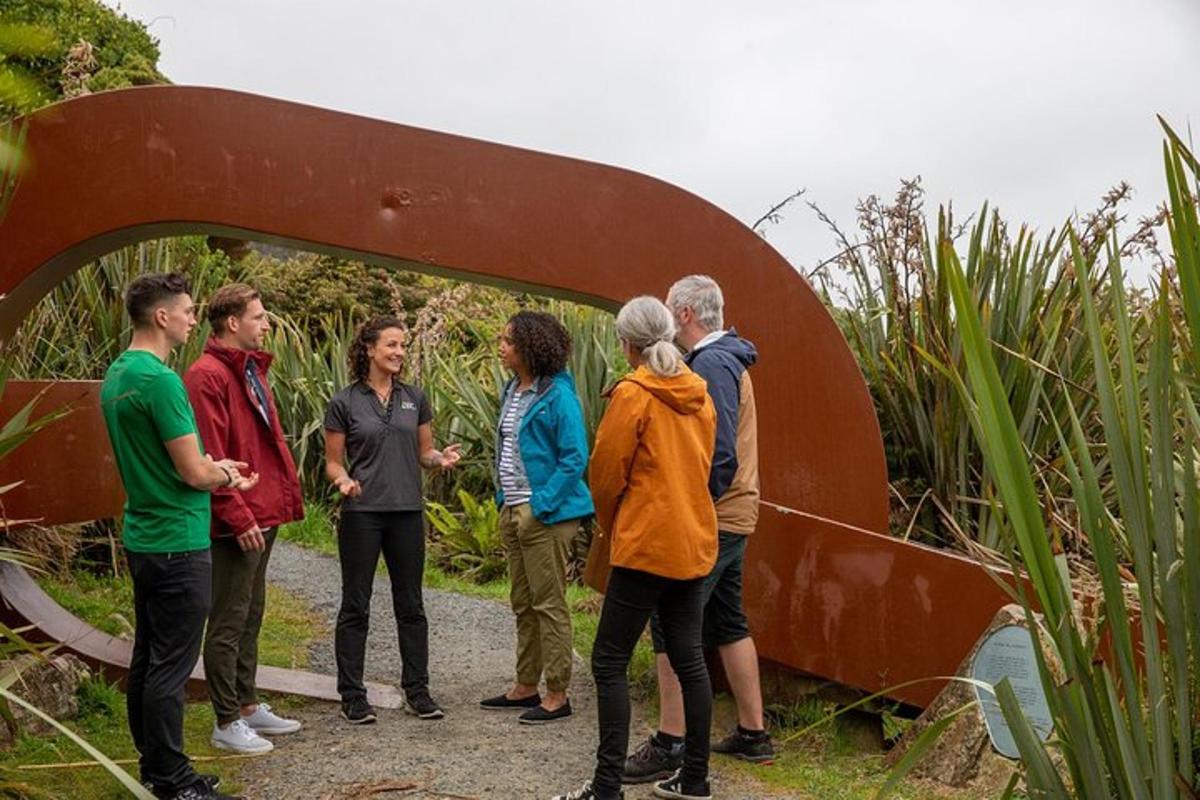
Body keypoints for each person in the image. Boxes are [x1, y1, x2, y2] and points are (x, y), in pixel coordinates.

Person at [100, 272, 257, 800]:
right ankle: (172, 779)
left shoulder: (120, 373)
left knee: (148, 658)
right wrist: (225, 474)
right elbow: (192, 474)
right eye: (188, 311)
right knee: (170, 667)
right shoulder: (162, 381)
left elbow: (168, 459)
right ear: (162, 316)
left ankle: (152, 765)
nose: (194, 319)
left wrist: (214, 464)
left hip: (145, 535)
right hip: (178, 538)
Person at [553, 296, 717, 800]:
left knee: (609, 660)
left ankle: (606, 789)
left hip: (646, 543)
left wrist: (614, 524)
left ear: (626, 343)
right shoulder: (700, 394)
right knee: (690, 659)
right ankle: (695, 781)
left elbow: (605, 475)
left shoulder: (633, 394)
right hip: (693, 541)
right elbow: (705, 466)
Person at [624, 275, 772, 786]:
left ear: (685, 314)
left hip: (718, 513)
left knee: (670, 624)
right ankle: (753, 733)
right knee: (728, 620)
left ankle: (670, 741)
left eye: (669, 309)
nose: (665, 318)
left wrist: (690, 505)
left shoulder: (710, 362)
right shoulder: (730, 357)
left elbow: (721, 453)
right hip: (737, 512)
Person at [185, 283, 305, 755]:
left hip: (262, 510)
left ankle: (248, 704)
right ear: (233, 323)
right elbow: (209, 455)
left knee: (252, 611)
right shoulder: (206, 376)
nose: (267, 323)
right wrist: (236, 515)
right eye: (258, 316)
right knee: (230, 617)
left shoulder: (251, 369)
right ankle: (225, 719)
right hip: (238, 517)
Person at [323, 316, 461, 724]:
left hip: (406, 514)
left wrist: (441, 460)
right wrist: (344, 480)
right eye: (392, 345)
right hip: (362, 516)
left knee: (412, 606)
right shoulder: (344, 402)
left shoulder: (414, 397)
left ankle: (417, 690)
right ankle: (352, 695)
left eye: (403, 345)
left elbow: (425, 452)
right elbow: (332, 463)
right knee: (355, 606)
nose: (400, 352)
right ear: (369, 348)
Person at [480, 311, 594, 725]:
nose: (502, 345)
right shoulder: (515, 389)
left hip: (545, 513)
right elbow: (508, 449)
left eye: (508, 340)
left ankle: (557, 694)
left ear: (529, 347)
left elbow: (574, 458)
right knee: (523, 601)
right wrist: (505, 502)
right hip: (514, 509)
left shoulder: (558, 396)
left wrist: (540, 507)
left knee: (548, 604)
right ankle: (525, 685)